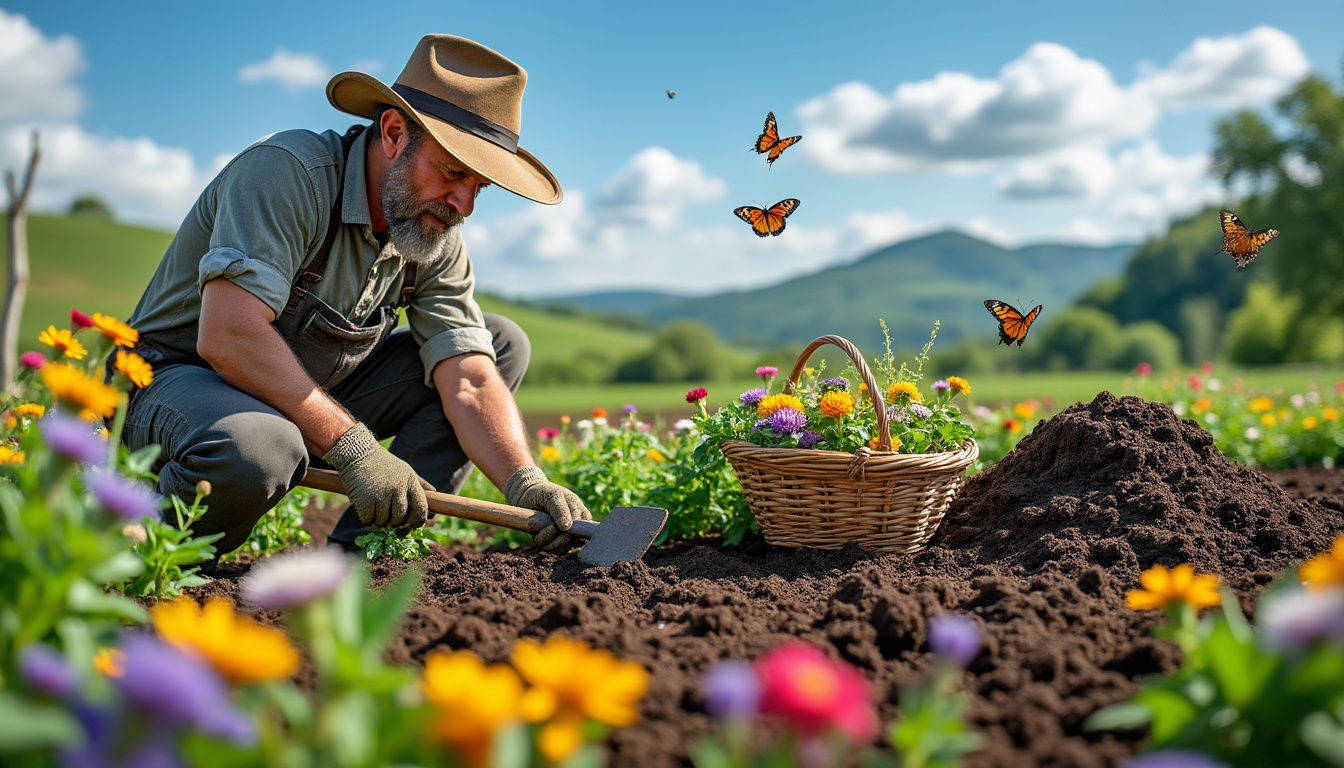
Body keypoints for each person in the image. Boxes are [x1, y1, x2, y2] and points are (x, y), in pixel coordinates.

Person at [120, 34, 591, 560]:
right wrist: (354, 447)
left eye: (479, 187)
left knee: (499, 345)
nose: (464, 205)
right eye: (454, 172)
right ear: (393, 133)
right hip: (173, 383)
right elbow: (229, 334)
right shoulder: (288, 173)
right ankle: (129, 561)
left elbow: (470, 379)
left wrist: (525, 480)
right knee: (259, 448)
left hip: (297, 395)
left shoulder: (433, 231)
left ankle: (359, 564)